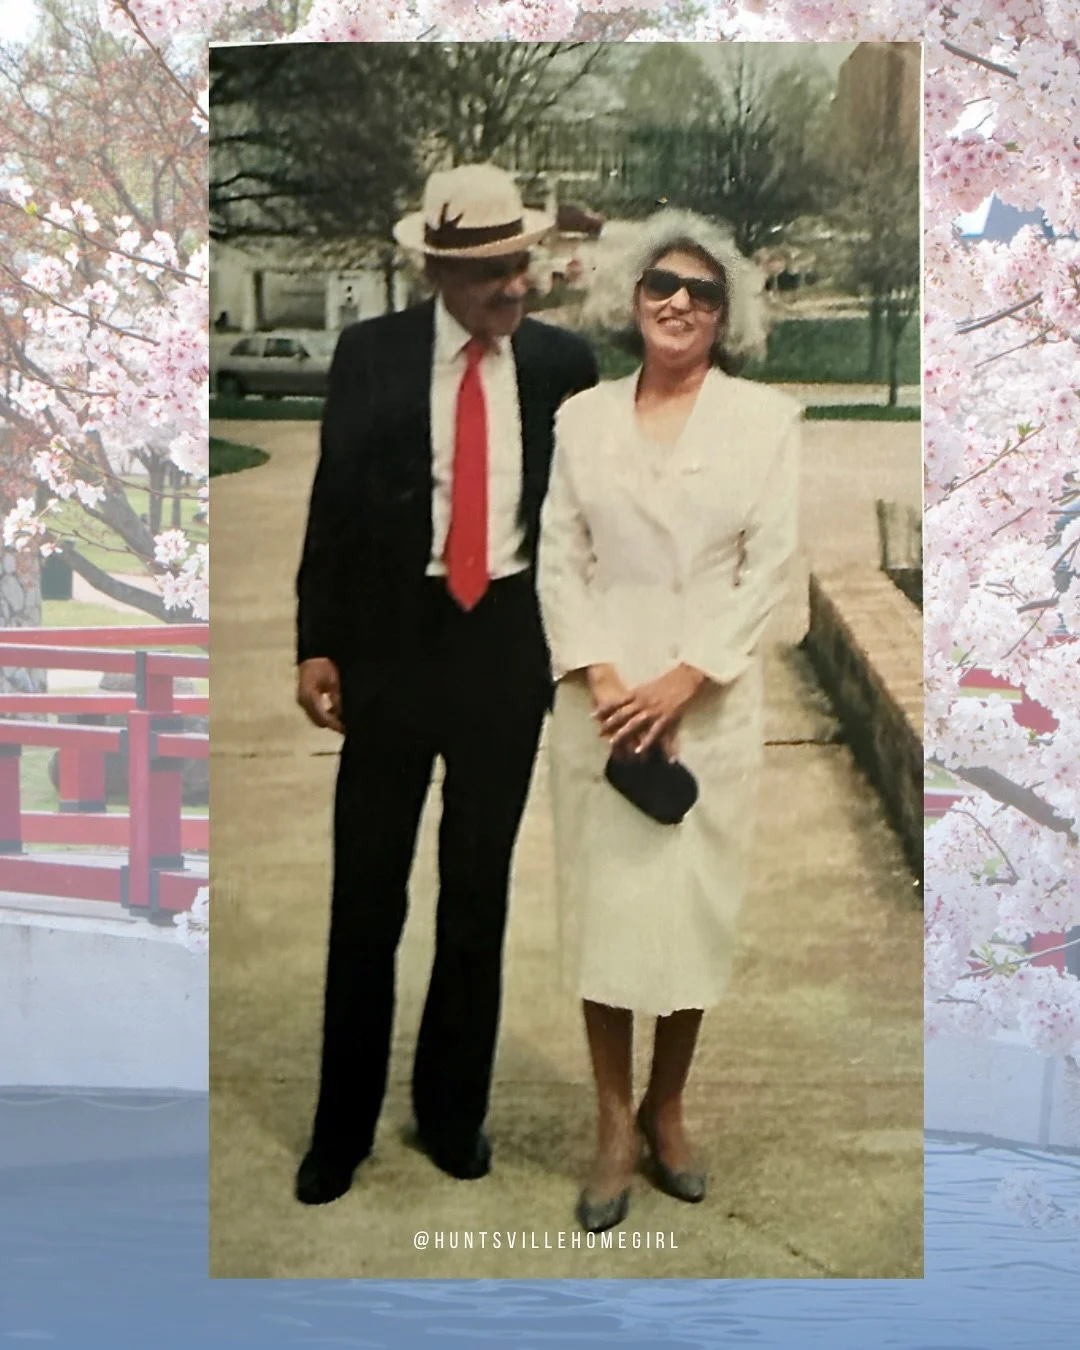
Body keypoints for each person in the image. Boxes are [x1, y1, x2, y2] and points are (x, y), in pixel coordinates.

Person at [292, 163, 599, 1205]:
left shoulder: (564, 365)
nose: (512, 287)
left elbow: (595, 520)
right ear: (434, 270)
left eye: (519, 263)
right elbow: (331, 505)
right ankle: (341, 1130)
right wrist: (315, 642)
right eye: (486, 273)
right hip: (391, 647)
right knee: (367, 894)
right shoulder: (370, 357)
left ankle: (452, 1112)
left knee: (477, 894)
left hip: (503, 649)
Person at [537, 211, 802, 1232]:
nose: (678, 301)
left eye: (700, 289)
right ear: (629, 298)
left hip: (710, 703)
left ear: (727, 313)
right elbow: (560, 558)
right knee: (605, 916)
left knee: (692, 914)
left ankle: (669, 1107)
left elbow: (766, 566)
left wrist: (686, 679)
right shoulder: (581, 420)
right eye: (661, 285)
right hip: (598, 705)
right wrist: (603, 675)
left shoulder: (766, 423)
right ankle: (612, 1125)